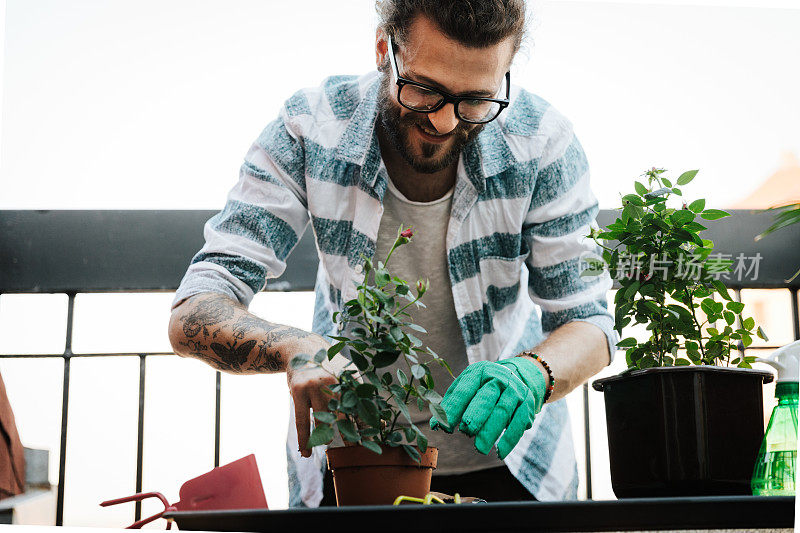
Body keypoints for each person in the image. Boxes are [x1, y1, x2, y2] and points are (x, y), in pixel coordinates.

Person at [168, 0, 616, 507]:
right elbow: (194, 310)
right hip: (356, 465)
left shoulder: (542, 142)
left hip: (511, 467)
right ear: (385, 49)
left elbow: (590, 323)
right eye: (424, 89)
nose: (445, 122)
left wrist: (531, 373)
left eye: (475, 100)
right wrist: (296, 348)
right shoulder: (312, 128)